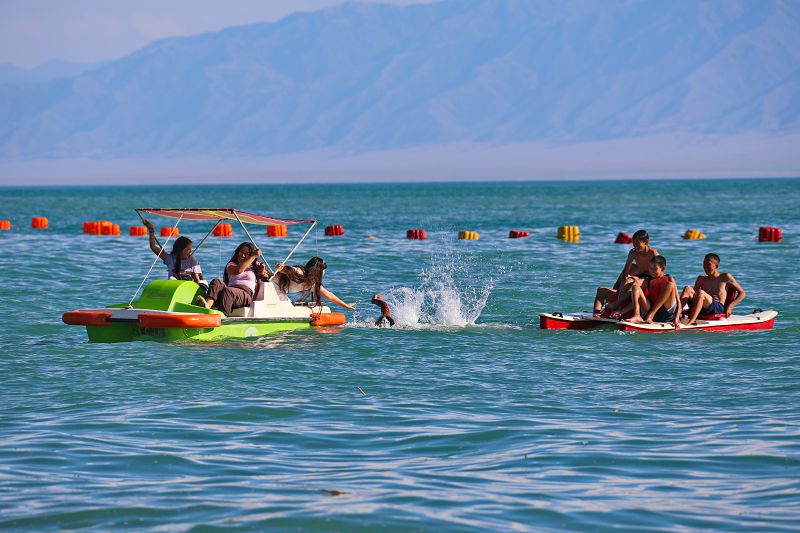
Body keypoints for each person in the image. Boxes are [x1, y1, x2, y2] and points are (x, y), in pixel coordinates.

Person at [594, 229, 659, 315]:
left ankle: (617, 305)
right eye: (633, 243)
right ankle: (597, 314)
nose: (635, 246)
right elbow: (626, 269)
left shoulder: (653, 253)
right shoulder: (633, 252)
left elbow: (659, 271)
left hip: (650, 278)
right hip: (640, 275)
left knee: (635, 283)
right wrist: (623, 282)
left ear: (645, 242)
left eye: (637, 243)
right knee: (627, 280)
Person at [196, 242, 271, 315]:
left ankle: (223, 315)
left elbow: (269, 277)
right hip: (230, 291)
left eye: (246, 253)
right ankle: (207, 305)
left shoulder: (255, 265)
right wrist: (253, 256)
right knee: (216, 281)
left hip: (245, 295)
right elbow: (239, 270)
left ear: (250, 255)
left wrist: (263, 273)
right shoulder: (231, 265)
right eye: (241, 252)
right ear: (237, 252)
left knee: (229, 291)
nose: (243, 255)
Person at [680, 253, 746, 324]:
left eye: (708, 264)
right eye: (704, 264)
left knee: (701, 293)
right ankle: (676, 316)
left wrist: (730, 306)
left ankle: (691, 322)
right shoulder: (701, 279)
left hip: (717, 308)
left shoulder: (725, 277)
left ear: (716, 266)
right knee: (687, 288)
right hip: (702, 308)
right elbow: (693, 296)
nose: (705, 267)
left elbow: (742, 293)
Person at [272, 256, 355, 309]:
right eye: (324, 268)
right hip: (272, 286)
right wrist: (281, 267)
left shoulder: (313, 283)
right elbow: (285, 269)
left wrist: (345, 305)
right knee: (286, 307)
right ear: (318, 269)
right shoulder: (300, 272)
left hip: (279, 291)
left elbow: (330, 296)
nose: (325, 271)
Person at [143, 219, 202, 283]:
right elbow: (153, 247)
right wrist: (151, 230)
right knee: (172, 279)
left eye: (190, 250)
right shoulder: (170, 259)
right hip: (174, 285)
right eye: (188, 250)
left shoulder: (192, 260)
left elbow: (197, 279)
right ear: (180, 249)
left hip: (188, 287)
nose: (190, 252)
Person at [629, 255, 681, 329]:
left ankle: (651, 315)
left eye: (655, 269)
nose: (651, 271)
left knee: (670, 285)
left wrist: (676, 320)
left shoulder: (669, 278)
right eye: (650, 268)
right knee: (635, 287)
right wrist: (620, 311)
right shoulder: (647, 280)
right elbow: (637, 298)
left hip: (665, 313)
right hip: (649, 310)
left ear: (662, 268)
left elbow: (678, 302)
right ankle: (637, 315)